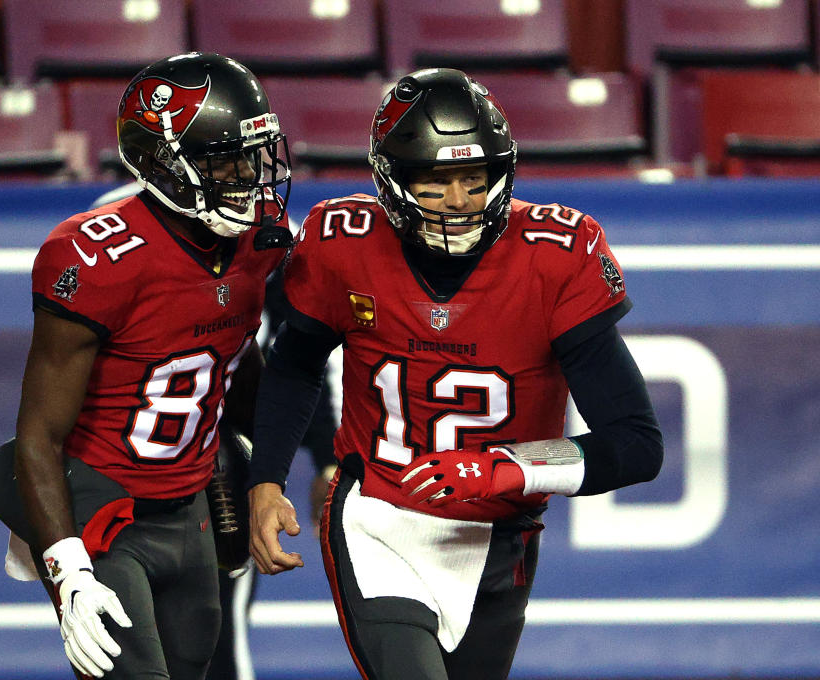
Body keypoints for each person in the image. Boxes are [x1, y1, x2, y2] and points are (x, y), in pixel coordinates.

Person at [247, 68, 664, 680]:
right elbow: (292, 365)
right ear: (393, 179)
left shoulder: (556, 254)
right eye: (437, 181)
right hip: (377, 514)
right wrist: (266, 480)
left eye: (475, 178)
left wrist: (504, 466)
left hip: (501, 533)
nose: (461, 199)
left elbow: (636, 445)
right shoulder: (344, 241)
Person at [11, 52, 291, 680]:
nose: (247, 178)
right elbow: (37, 434)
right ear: (163, 163)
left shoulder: (256, 247)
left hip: (189, 505)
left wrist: (251, 463)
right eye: (224, 161)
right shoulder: (95, 255)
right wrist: (68, 569)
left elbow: (231, 364)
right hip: (101, 510)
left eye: (253, 157)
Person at [85, 182, 339, 680]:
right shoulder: (104, 227)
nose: (241, 169)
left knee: (214, 633)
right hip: (122, 462)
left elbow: (299, 358)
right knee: (116, 639)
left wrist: (320, 453)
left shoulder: (264, 226)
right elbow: (74, 370)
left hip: (218, 454)